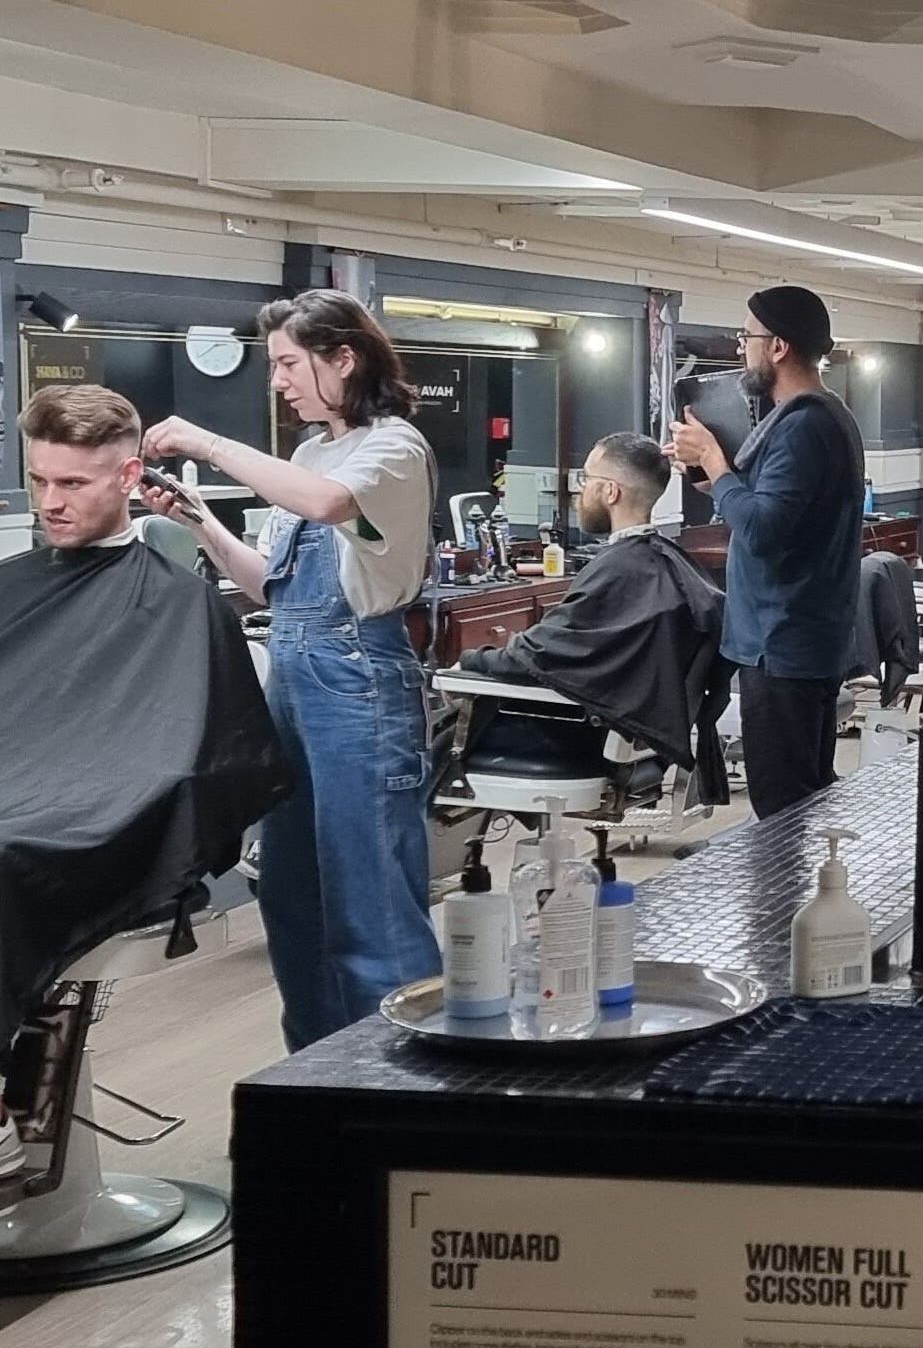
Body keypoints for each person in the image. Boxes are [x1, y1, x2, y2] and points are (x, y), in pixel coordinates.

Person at [141, 289, 441, 1051]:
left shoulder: (393, 450)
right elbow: (270, 584)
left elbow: (330, 503)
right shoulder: (309, 451)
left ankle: (406, 1092)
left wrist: (209, 445)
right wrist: (199, 522)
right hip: (295, 677)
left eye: (286, 363)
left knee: (370, 904)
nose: (276, 381)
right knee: (293, 898)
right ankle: (315, 1082)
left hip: (359, 684)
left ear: (345, 357)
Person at [2, 386, 287, 1177]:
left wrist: (88, 793)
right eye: (40, 480)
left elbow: (194, 758)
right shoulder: (12, 589)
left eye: (74, 484)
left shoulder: (180, 603)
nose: (51, 503)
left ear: (129, 476)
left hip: (105, 817)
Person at [666, 285, 865, 820]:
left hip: (784, 646)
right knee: (807, 798)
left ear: (778, 346)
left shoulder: (802, 426)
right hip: (803, 641)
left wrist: (715, 461)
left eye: (746, 337)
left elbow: (762, 532)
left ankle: (784, 905)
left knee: (782, 810)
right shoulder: (825, 414)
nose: (740, 350)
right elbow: (779, 511)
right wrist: (719, 484)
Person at [457, 433, 731, 799]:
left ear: (610, 492)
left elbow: (536, 655)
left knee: (436, 740)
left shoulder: (620, 571)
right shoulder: (666, 563)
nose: (579, 491)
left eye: (586, 480)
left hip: (575, 740)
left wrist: (469, 662)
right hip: (628, 742)